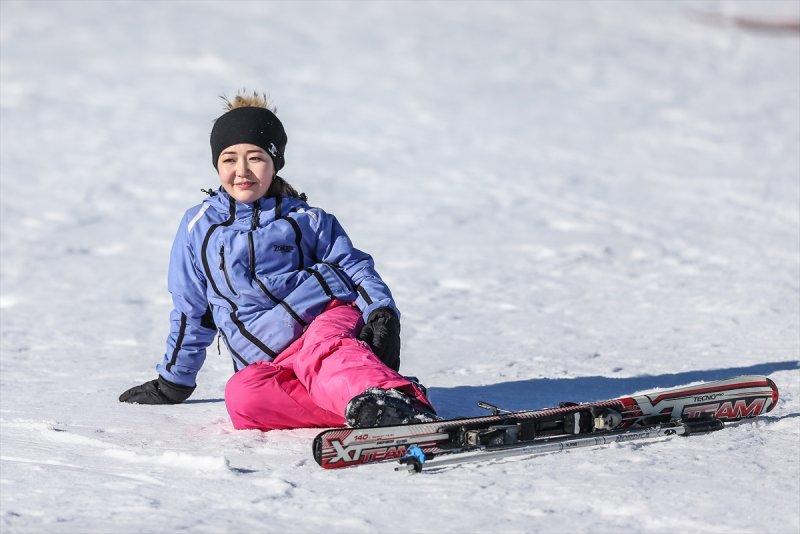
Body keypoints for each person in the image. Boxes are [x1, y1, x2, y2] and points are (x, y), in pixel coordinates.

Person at [119, 91, 436, 430]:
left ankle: (385, 396)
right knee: (243, 398)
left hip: (323, 322)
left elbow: (354, 268)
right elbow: (191, 309)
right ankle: (377, 406)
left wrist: (381, 312)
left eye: (255, 158)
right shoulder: (199, 228)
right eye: (229, 159)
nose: (242, 171)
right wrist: (174, 382)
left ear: (274, 163)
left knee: (325, 353)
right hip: (266, 358)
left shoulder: (307, 220)